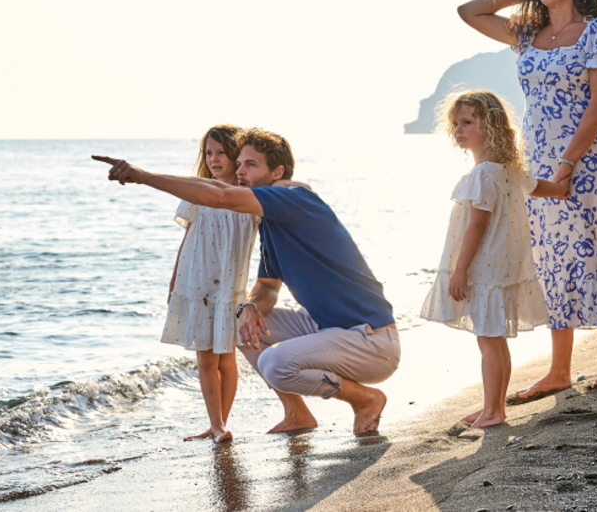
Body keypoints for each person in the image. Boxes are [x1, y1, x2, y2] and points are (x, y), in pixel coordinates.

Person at [93, 128, 398, 436]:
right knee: (235, 322)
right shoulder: (272, 224)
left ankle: (366, 400)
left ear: (277, 172)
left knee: (276, 364)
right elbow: (267, 289)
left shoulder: (293, 198)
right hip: (330, 328)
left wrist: (142, 176)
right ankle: (297, 412)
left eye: (250, 165)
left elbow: (220, 195)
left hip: (371, 340)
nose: (239, 171)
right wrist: (250, 306)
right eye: (239, 163)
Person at [456, 0, 597, 403]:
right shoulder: (526, 33)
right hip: (535, 162)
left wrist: (566, 164)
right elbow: (468, 11)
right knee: (550, 258)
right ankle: (560, 370)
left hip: (585, 163)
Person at [420, 90, 568, 427]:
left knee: (489, 343)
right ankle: (493, 406)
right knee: (495, 340)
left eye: (468, 122)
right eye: (456, 123)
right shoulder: (507, 169)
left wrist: (460, 272)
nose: (459, 129)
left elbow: (477, 226)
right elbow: (537, 187)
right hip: (503, 264)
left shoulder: (484, 174)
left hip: (485, 267)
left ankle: (493, 411)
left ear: (490, 127)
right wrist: (560, 188)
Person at [162, 124, 257, 442]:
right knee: (205, 357)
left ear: (235, 155)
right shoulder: (198, 191)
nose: (214, 159)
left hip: (230, 288)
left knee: (227, 357)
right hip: (196, 284)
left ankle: (220, 424)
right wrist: (175, 281)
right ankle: (216, 424)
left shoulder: (249, 197)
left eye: (221, 153)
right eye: (208, 153)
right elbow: (187, 237)